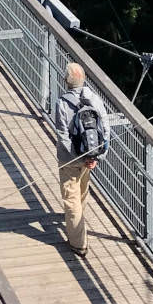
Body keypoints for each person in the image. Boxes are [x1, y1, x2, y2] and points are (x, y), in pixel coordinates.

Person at [54, 62, 108, 258]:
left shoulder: (62, 103)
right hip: (90, 157)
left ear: (66, 81)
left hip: (70, 160)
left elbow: (63, 135)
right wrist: (95, 157)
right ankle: (77, 220)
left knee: (71, 200)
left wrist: (76, 157)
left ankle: (79, 243)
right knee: (82, 190)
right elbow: (105, 130)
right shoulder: (95, 99)